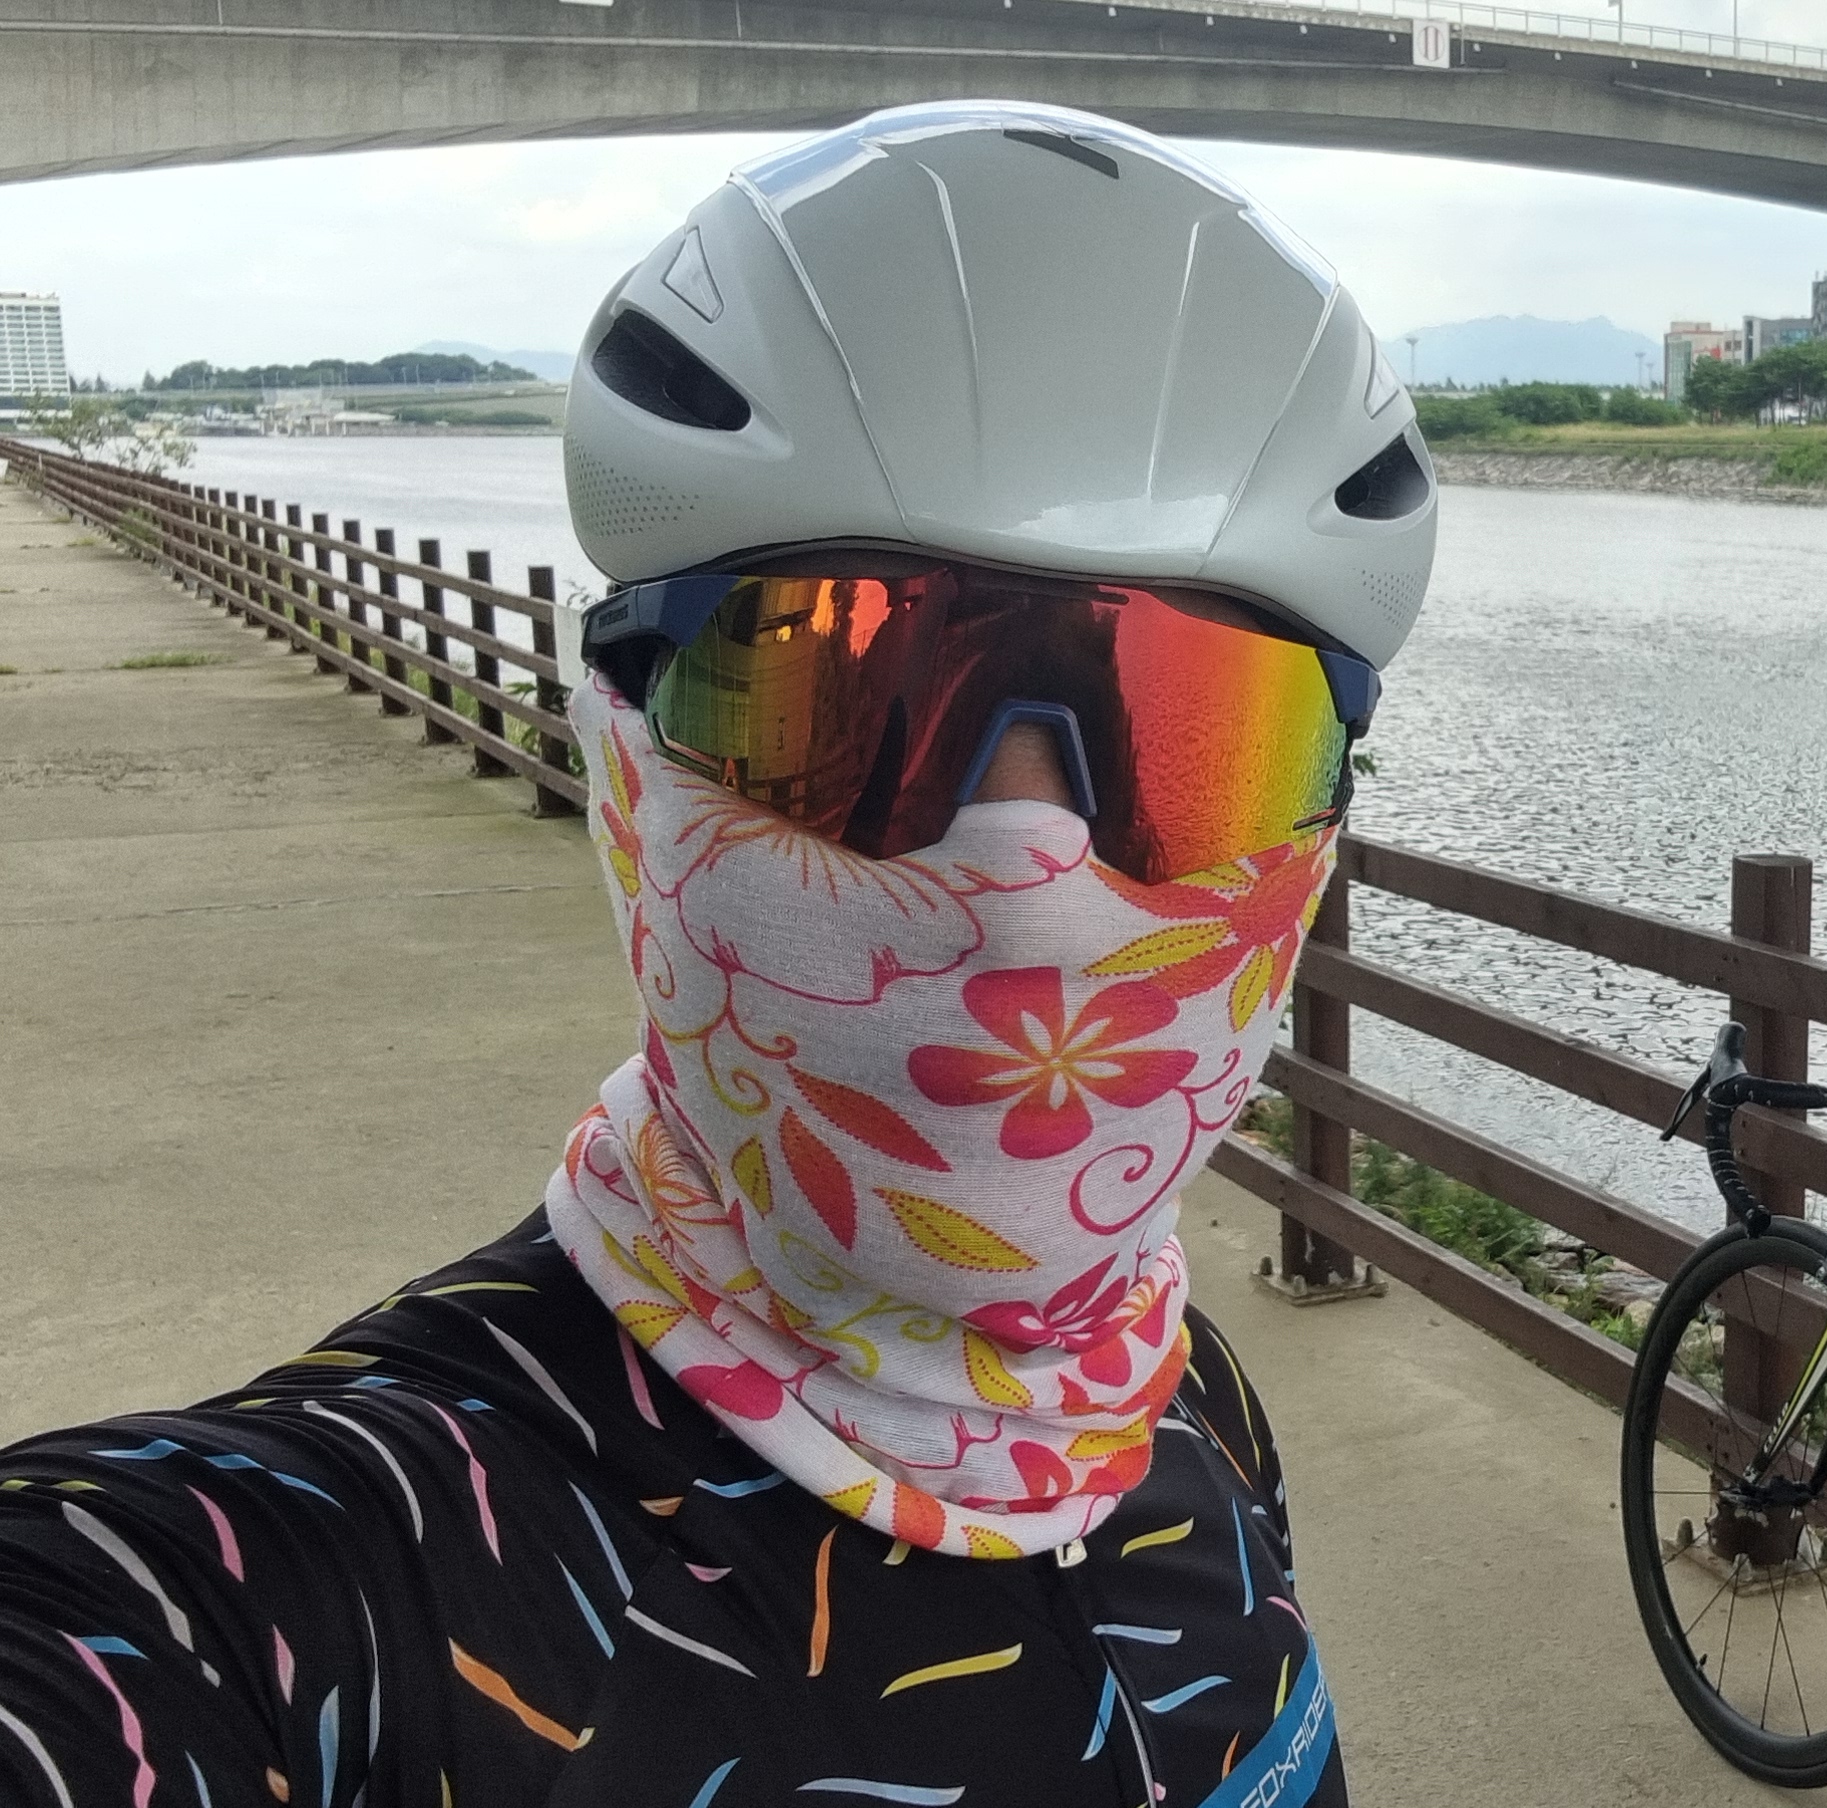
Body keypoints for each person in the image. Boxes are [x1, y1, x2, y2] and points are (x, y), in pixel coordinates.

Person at [0, 101, 1435, 1807]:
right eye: (840, 694)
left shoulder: (1183, 1408)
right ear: (625, 759)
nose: (1030, 888)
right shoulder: (334, 1588)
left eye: (1208, 738)